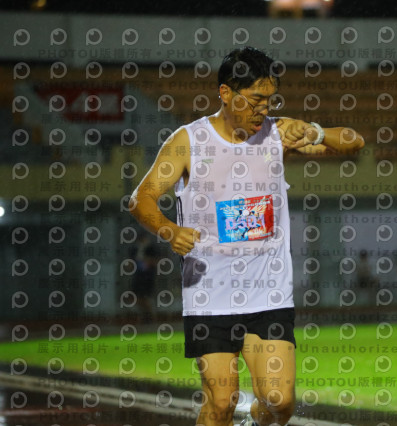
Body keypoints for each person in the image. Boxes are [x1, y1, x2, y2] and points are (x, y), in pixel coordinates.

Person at [128, 46, 364, 426]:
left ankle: (255, 420)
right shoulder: (189, 141)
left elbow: (354, 144)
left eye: (269, 100)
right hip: (209, 294)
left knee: (279, 402)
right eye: (255, 100)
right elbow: (141, 198)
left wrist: (315, 131)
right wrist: (169, 229)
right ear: (225, 93)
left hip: (268, 290)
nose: (262, 109)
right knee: (222, 403)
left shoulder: (277, 134)